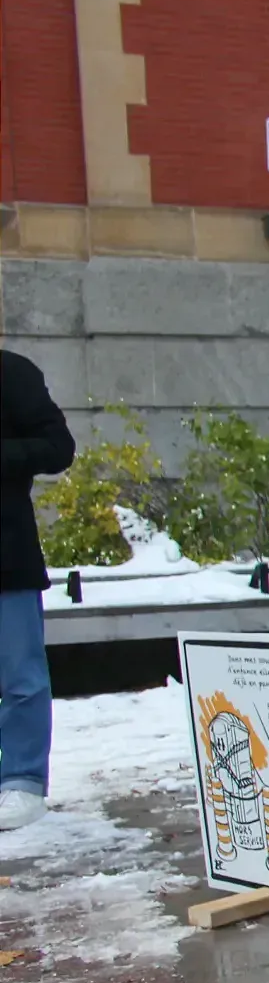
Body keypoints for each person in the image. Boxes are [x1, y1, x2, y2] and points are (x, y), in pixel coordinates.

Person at [0, 348, 75, 831]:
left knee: (20, 677)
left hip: (5, 555)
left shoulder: (11, 373)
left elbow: (58, 447)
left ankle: (22, 782)